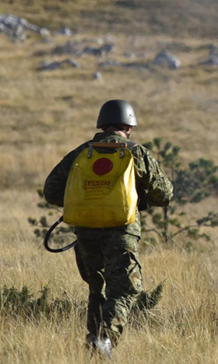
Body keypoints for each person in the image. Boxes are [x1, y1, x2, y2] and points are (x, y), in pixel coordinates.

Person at [43, 99, 173, 356]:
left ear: (102, 125)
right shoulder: (135, 151)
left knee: (97, 287)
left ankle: (93, 344)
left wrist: (82, 203)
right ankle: (107, 341)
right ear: (129, 126)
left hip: (86, 230)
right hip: (122, 230)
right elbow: (165, 193)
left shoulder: (81, 152)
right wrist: (138, 199)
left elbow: (51, 191)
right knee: (125, 289)